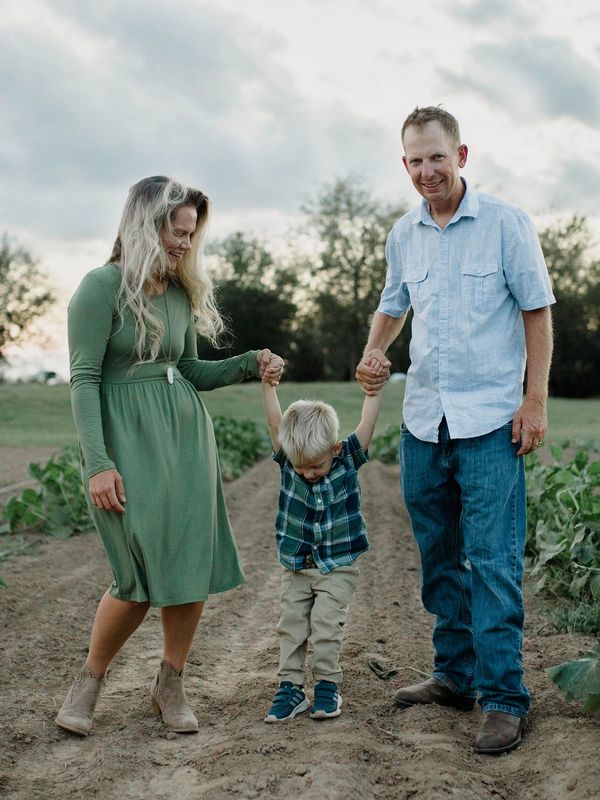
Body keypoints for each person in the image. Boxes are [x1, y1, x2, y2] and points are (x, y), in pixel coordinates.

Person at [356, 106, 555, 755]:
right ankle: (455, 674)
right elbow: (392, 304)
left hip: (492, 419)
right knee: (439, 554)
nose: (426, 170)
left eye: (436, 157)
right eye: (414, 160)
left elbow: (537, 311)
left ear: (461, 156)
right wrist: (374, 350)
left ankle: (503, 696)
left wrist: (535, 400)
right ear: (404, 165)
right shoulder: (403, 234)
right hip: (424, 420)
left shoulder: (505, 224)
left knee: (493, 559)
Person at [55, 176, 284, 736]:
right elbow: (84, 379)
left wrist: (248, 363)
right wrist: (97, 463)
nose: (185, 243)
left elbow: (185, 371)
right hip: (125, 444)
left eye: (190, 233)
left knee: (186, 565)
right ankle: (89, 680)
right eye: (176, 231)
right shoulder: (99, 288)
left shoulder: (179, 293)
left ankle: (170, 682)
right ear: (144, 224)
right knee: (133, 572)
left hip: (185, 438)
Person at [261, 368, 383, 722]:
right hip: (297, 565)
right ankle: (290, 688)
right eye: (301, 469)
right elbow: (274, 425)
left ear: (334, 449)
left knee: (327, 624)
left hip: (338, 564)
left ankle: (327, 685)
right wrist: (269, 386)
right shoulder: (290, 461)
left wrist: (372, 391)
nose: (308, 474)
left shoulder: (346, 460)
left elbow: (367, 425)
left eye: (315, 466)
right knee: (293, 625)